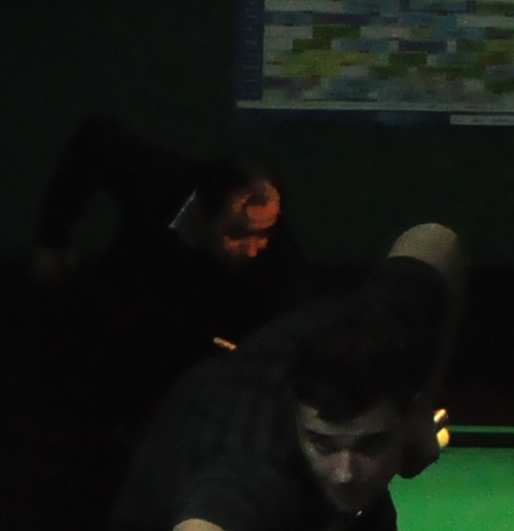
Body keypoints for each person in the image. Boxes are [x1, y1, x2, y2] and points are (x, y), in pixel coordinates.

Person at [111, 224, 468, 531]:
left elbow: (436, 241)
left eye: (370, 445)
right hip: (165, 530)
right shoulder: (252, 461)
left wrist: (428, 393)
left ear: (403, 413)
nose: (345, 472)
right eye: (323, 443)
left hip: (337, 507)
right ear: (298, 415)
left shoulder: (391, 324)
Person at [32, 116, 356, 434]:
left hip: (201, 334)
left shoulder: (277, 264)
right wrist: (52, 238)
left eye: (263, 234)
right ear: (201, 216)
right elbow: (96, 138)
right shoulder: (161, 181)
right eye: (237, 234)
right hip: (127, 293)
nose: (253, 249)